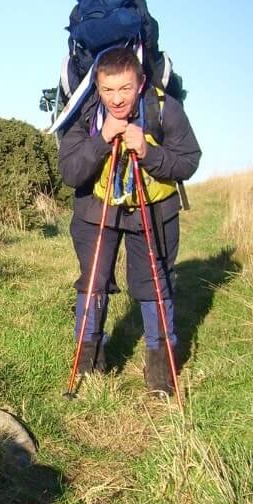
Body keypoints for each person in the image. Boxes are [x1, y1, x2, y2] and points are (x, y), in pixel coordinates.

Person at [57, 46, 202, 397]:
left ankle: (160, 376)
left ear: (139, 84)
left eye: (124, 88)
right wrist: (103, 139)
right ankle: (89, 366)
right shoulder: (85, 113)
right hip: (96, 208)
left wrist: (149, 153)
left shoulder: (165, 109)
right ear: (97, 87)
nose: (117, 98)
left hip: (154, 208)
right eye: (108, 90)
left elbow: (188, 162)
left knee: (155, 283)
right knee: (93, 282)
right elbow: (70, 173)